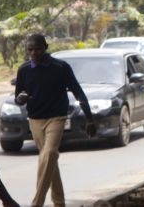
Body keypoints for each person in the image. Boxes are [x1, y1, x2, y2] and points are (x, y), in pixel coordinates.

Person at [14, 34, 97, 207]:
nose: (34, 53)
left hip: (57, 117)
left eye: (37, 49)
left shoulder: (60, 67)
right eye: (30, 50)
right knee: (49, 161)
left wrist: (89, 118)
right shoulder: (24, 70)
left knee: (49, 153)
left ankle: (36, 203)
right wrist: (21, 98)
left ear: (46, 47)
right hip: (35, 119)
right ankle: (59, 203)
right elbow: (18, 97)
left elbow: (77, 91)